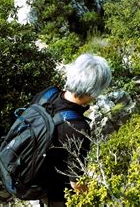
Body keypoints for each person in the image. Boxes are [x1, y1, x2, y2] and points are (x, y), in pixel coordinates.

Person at [36, 54, 112, 206]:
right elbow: (75, 183)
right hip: (56, 191)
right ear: (93, 92)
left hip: (35, 170)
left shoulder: (47, 95)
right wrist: (97, 197)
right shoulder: (77, 128)